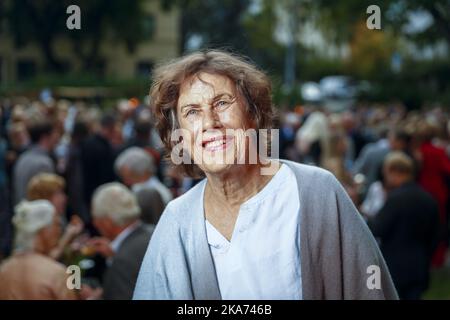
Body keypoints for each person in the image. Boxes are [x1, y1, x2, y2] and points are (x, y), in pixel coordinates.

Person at [133, 50, 398, 300]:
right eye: (192, 112)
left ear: (253, 114)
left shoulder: (316, 192)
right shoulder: (176, 221)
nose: (209, 122)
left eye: (222, 103)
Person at [368, 152, 440, 299]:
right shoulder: (428, 198)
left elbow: (377, 228)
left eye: (386, 173)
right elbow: (436, 234)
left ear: (394, 171)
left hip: (395, 267)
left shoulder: (395, 199)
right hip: (419, 264)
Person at [0, 200, 76, 299]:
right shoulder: (56, 273)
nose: (59, 231)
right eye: (56, 225)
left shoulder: (4, 270)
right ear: (43, 230)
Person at [89, 182, 153, 300]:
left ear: (107, 222)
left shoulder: (122, 261)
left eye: (96, 218)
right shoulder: (154, 232)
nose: (95, 224)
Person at [26, 173, 84, 261]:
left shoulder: (59, 219)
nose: (64, 198)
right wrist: (68, 236)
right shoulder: (36, 225)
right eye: (58, 193)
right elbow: (46, 260)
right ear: (44, 197)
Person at [13, 119, 58, 205]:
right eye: (54, 134)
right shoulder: (44, 164)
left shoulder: (23, 157)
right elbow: (46, 199)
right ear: (45, 137)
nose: (56, 138)